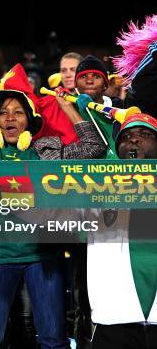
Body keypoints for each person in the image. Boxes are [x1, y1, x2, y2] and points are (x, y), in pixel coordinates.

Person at [0, 79, 106, 348]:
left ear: (29, 121)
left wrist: (66, 105)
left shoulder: (47, 150)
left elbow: (95, 146)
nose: (10, 117)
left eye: (18, 112)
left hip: (42, 257)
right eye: (3, 112)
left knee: (53, 341)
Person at [86, 113, 157, 348]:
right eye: (126, 137)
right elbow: (41, 215)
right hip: (115, 320)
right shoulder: (90, 191)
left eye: (145, 135)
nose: (134, 140)